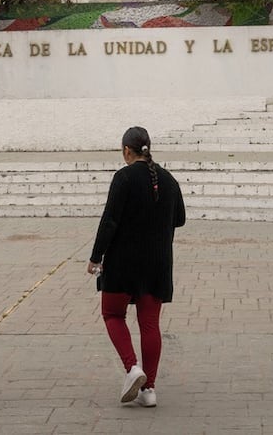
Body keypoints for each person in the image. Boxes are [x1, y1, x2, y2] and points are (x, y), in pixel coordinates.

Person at [87, 126, 186, 408]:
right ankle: (150, 390)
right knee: (150, 324)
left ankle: (132, 368)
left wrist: (95, 258)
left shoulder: (124, 177)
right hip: (158, 264)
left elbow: (110, 221)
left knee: (111, 314)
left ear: (126, 151)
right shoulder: (168, 179)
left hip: (123, 263)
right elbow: (179, 219)